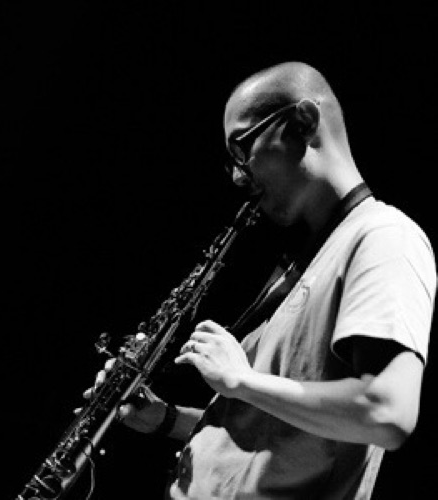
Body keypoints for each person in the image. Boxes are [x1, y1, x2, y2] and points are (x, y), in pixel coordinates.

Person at [87, 61, 436, 499]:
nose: (238, 176)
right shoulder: (314, 257)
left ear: (303, 122)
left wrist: (241, 380)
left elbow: (387, 413)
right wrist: (166, 419)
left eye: (242, 149)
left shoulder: (384, 236)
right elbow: (283, 437)